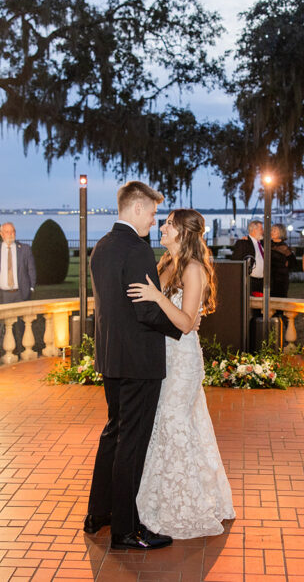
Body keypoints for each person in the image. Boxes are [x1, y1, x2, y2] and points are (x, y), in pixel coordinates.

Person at [85, 181, 182, 551]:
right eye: (153, 212)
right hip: (140, 361)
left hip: (111, 358)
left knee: (113, 433)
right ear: (138, 209)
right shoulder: (138, 250)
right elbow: (145, 310)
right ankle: (126, 530)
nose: (154, 219)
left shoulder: (102, 248)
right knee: (132, 443)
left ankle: (99, 513)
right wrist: (178, 327)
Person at [128, 209, 235, 538]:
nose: (162, 227)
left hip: (183, 360)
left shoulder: (193, 269)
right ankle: (163, 496)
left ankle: (185, 503)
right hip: (162, 356)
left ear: (183, 233)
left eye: (169, 224)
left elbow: (187, 322)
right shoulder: (167, 263)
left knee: (175, 423)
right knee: (169, 424)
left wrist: (158, 297)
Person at [0, 222, 36, 303]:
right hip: (3, 295)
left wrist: (31, 288)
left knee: (22, 315)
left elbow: (31, 269)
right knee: (5, 316)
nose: (10, 234)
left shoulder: (25, 249)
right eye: (7, 232)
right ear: (1, 234)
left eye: (12, 231)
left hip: (21, 294)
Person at [231, 221, 265, 295]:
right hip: (250, 281)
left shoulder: (262, 243)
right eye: (261, 229)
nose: (263, 231)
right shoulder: (243, 243)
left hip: (262, 281)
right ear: (254, 230)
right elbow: (236, 262)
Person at [268, 223, 296, 298]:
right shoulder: (267, 244)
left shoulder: (284, 247)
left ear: (281, 232)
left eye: (274, 230)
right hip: (268, 278)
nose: (271, 232)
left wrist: (287, 265)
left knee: (279, 300)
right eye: (271, 230)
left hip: (280, 279)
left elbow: (293, 263)